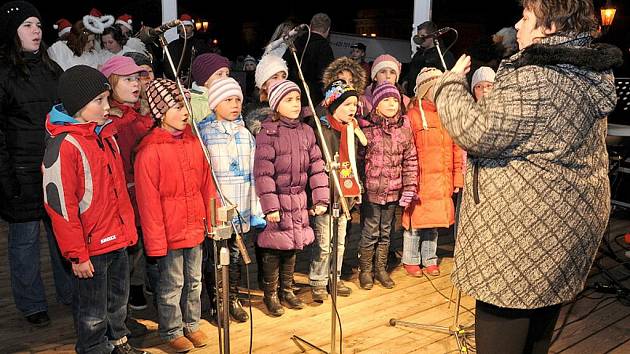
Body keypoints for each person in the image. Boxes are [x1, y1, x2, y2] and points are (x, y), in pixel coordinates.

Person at [433, 0, 623, 352]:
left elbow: (477, 133)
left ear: (549, 27)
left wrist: (447, 86)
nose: (517, 26)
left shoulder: (536, 75)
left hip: (520, 233)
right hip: (565, 225)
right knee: (538, 326)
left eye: (525, 18)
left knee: (503, 321)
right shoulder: (590, 73)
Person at [42, 65, 145, 354]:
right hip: (90, 247)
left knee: (117, 300)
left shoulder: (105, 134)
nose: (106, 106)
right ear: (77, 106)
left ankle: (118, 341)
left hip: (117, 238)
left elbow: (118, 189)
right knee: (92, 311)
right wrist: (77, 254)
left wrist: (128, 231)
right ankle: (93, 347)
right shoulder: (65, 145)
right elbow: (60, 206)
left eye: (106, 98)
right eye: (99, 101)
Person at [0, 0, 73, 327]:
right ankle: (32, 305)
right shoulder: (3, 72)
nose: (35, 31)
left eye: (38, 25)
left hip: (53, 167)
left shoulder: (51, 68)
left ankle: (70, 292)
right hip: (19, 172)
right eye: (27, 25)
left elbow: (66, 115)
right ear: (11, 31)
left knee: (62, 235)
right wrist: (6, 179)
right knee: (25, 243)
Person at [135, 78, 218, 352]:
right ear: (159, 111)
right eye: (177, 105)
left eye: (185, 105)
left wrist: (212, 218)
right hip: (169, 234)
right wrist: (156, 242)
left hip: (195, 226)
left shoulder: (194, 143)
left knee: (194, 282)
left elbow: (207, 184)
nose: (185, 111)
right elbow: (148, 203)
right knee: (172, 284)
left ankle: (191, 324)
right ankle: (171, 329)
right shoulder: (149, 151)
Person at [254, 79, 329, 316]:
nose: (296, 104)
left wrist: (320, 199)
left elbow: (317, 166)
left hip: (298, 199)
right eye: (289, 100)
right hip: (277, 199)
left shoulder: (306, 131)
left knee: (292, 247)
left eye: (297, 99)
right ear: (276, 104)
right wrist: (270, 206)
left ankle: (287, 289)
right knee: (273, 249)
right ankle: (271, 294)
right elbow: (263, 172)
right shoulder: (268, 132)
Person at [198, 77, 266, 323]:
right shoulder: (203, 133)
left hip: (242, 207)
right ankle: (218, 302)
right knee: (216, 257)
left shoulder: (245, 134)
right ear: (215, 103)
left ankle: (233, 296)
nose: (235, 104)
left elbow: (253, 172)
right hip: (217, 209)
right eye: (228, 100)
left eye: (238, 99)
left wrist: (256, 207)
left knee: (236, 257)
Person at [401, 67, 464, 277]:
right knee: (416, 222)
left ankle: (429, 258)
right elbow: (407, 150)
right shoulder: (412, 116)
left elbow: (456, 148)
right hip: (420, 179)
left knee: (434, 223)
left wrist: (457, 176)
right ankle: (411, 258)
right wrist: (408, 181)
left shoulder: (446, 115)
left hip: (441, 179)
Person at [308, 80, 366, 301]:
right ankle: (319, 280)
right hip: (327, 193)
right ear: (333, 105)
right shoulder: (321, 128)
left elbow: (354, 161)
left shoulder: (352, 129)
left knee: (340, 242)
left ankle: (335, 276)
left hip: (346, 193)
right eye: (347, 104)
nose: (352, 109)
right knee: (324, 243)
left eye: (354, 104)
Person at [358, 82, 417, 290]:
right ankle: (365, 270)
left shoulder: (404, 131)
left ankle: (381, 268)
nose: (392, 104)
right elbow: (359, 159)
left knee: (386, 232)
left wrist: (410, 188)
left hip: (393, 191)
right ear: (375, 104)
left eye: (395, 100)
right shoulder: (366, 129)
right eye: (386, 100)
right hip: (372, 192)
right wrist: (359, 187)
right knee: (370, 231)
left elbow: (410, 161)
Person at [285, 13, 334, 108]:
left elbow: (285, 63)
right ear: (328, 30)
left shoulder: (297, 41)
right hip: (313, 98)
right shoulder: (324, 47)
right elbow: (326, 75)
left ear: (310, 26)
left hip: (292, 93)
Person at [405, 21, 455, 97]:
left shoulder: (444, 55)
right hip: (413, 98)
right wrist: (405, 81)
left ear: (432, 36)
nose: (420, 39)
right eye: (418, 35)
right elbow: (411, 70)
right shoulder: (418, 54)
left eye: (423, 36)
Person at [163, 14, 210, 84]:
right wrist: (176, 78)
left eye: (188, 26)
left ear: (192, 28)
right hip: (176, 84)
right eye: (182, 26)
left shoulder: (201, 45)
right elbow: (167, 65)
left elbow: (205, 64)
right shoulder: (172, 46)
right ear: (179, 28)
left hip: (197, 84)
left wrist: (192, 78)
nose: (185, 28)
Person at [189, 53, 231, 123]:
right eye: (219, 74)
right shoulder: (191, 102)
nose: (225, 78)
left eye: (227, 74)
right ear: (205, 80)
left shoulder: (230, 98)